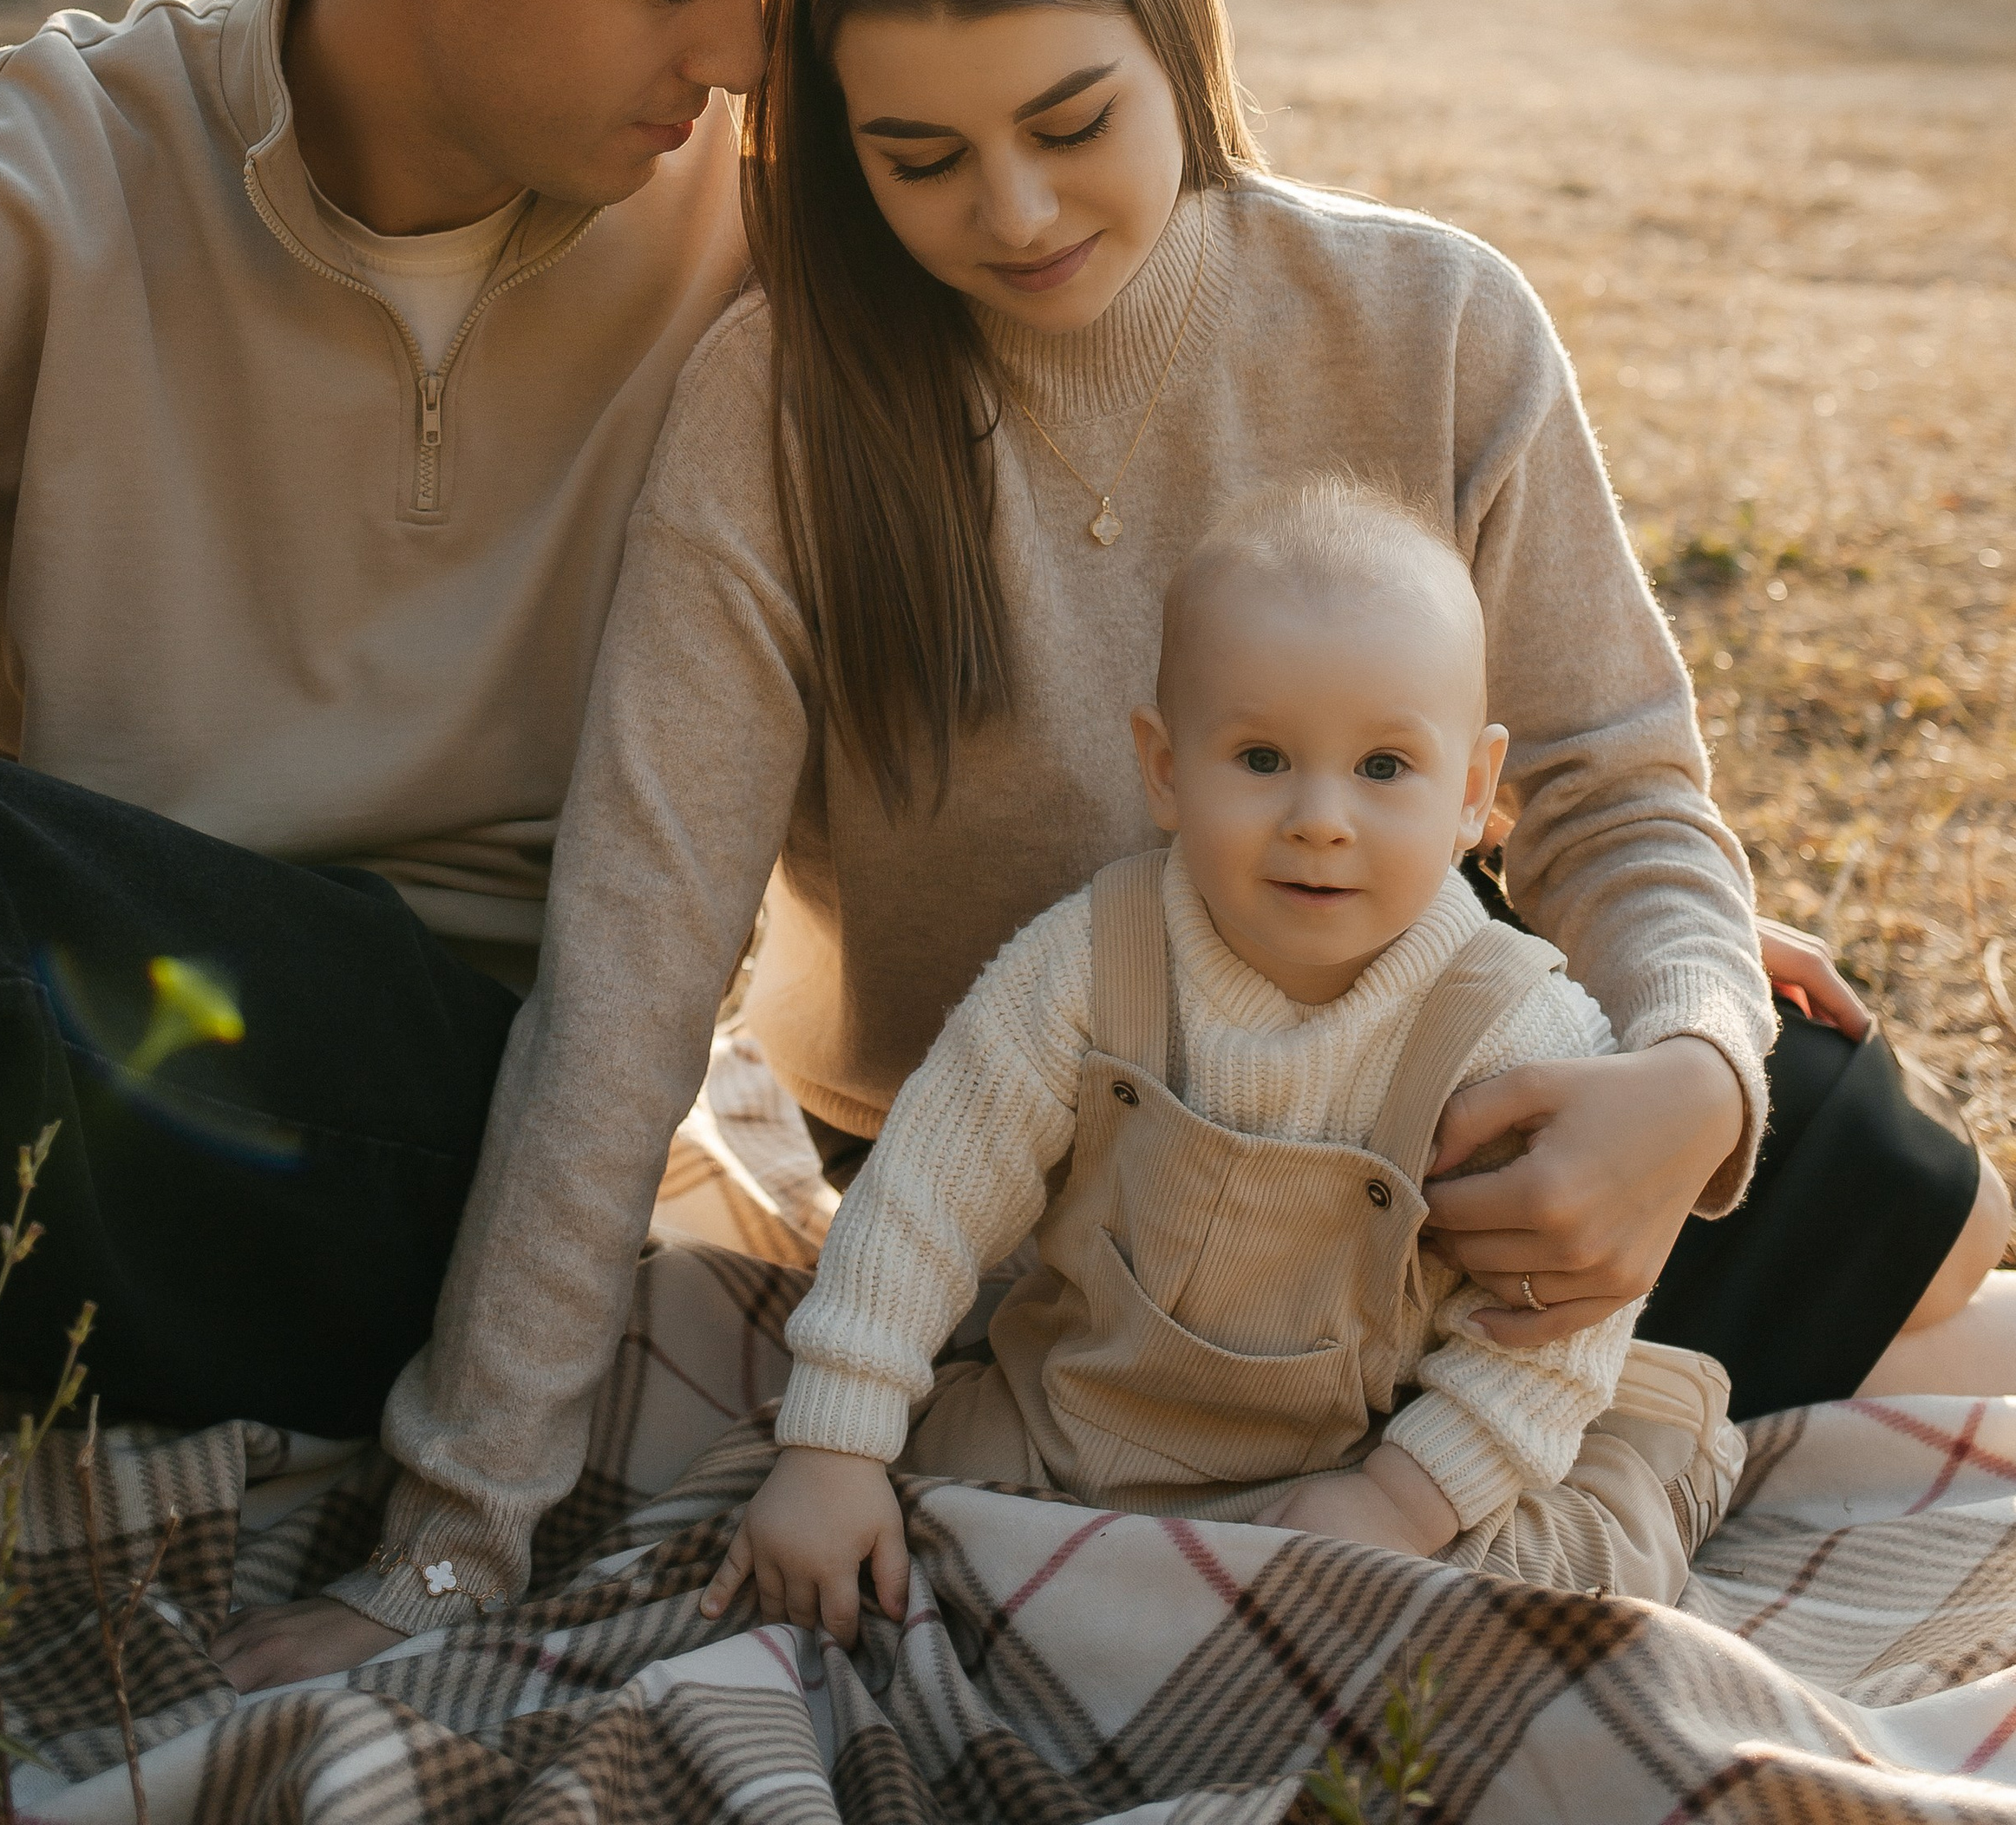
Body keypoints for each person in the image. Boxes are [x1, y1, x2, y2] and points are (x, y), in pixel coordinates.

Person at [345, 0, 2006, 1643]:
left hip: (1405, 1108)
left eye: (1070, 123)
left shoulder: (1427, 322)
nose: (1018, 214)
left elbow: (1612, 786)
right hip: (1027, 1191)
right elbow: (630, 970)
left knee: (1826, 1107)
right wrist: (452, 1533)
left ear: (1177, 38)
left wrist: (1687, 1086)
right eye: (920, 157)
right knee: (1871, 1256)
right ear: (825, 138)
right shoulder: (780, 409)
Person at [0, 0, 839, 1678]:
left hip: (532, 1135)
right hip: (107, 1101)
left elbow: (1207, 439)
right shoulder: (28, 195)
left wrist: (1620, 905)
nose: (743, 51)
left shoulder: (785, 212)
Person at [703, 478, 1743, 1645]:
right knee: (845, 1528)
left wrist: (1399, 1500)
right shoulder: (1093, 962)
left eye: (1385, 769)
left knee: (1537, 1603)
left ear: (1470, 793)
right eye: (1260, 757)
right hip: (1082, 1419)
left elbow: (1550, 1329)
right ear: (1163, 766)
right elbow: (925, 1197)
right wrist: (835, 1444)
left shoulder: (1513, 1032)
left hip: (1381, 1461)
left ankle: (1651, 1479)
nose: (1320, 819)